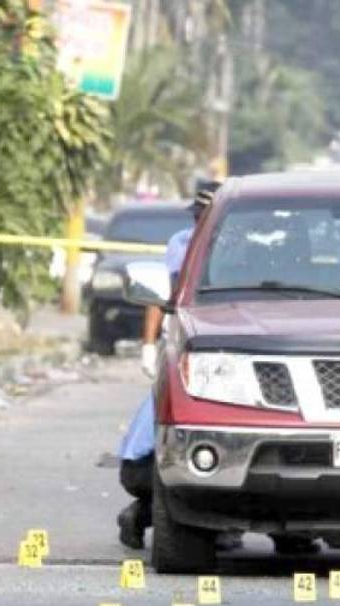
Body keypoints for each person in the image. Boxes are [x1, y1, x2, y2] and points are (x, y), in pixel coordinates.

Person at [116, 180, 223, 550]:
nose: (199, 222)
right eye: (198, 215)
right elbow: (161, 295)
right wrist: (149, 345)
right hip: (145, 466)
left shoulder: (242, 246)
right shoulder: (183, 243)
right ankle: (143, 513)